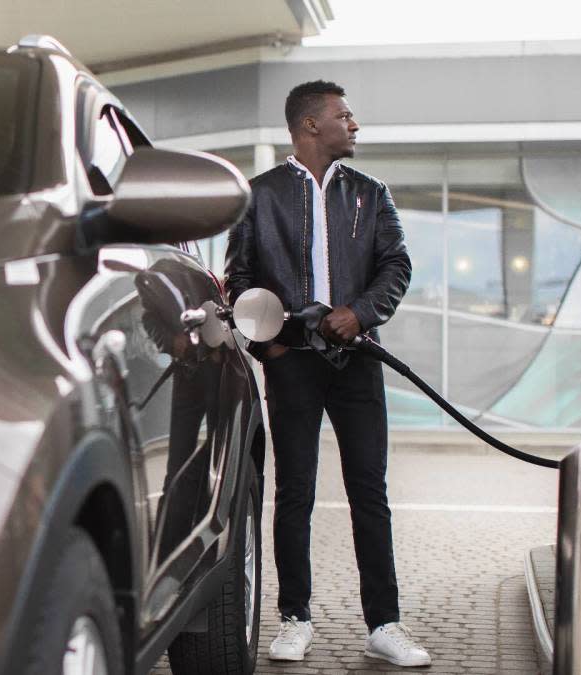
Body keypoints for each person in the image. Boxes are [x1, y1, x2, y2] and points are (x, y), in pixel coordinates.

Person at [224, 80, 430, 667]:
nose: (354, 124)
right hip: (292, 363)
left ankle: (384, 624)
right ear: (311, 125)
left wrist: (360, 313)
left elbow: (396, 265)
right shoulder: (258, 195)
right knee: (294, 492)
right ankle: (295, 618)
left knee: (370, 491)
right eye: (345, 115)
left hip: (358, 359)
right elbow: (239, 279)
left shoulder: (371, 193)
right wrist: (269, 347)